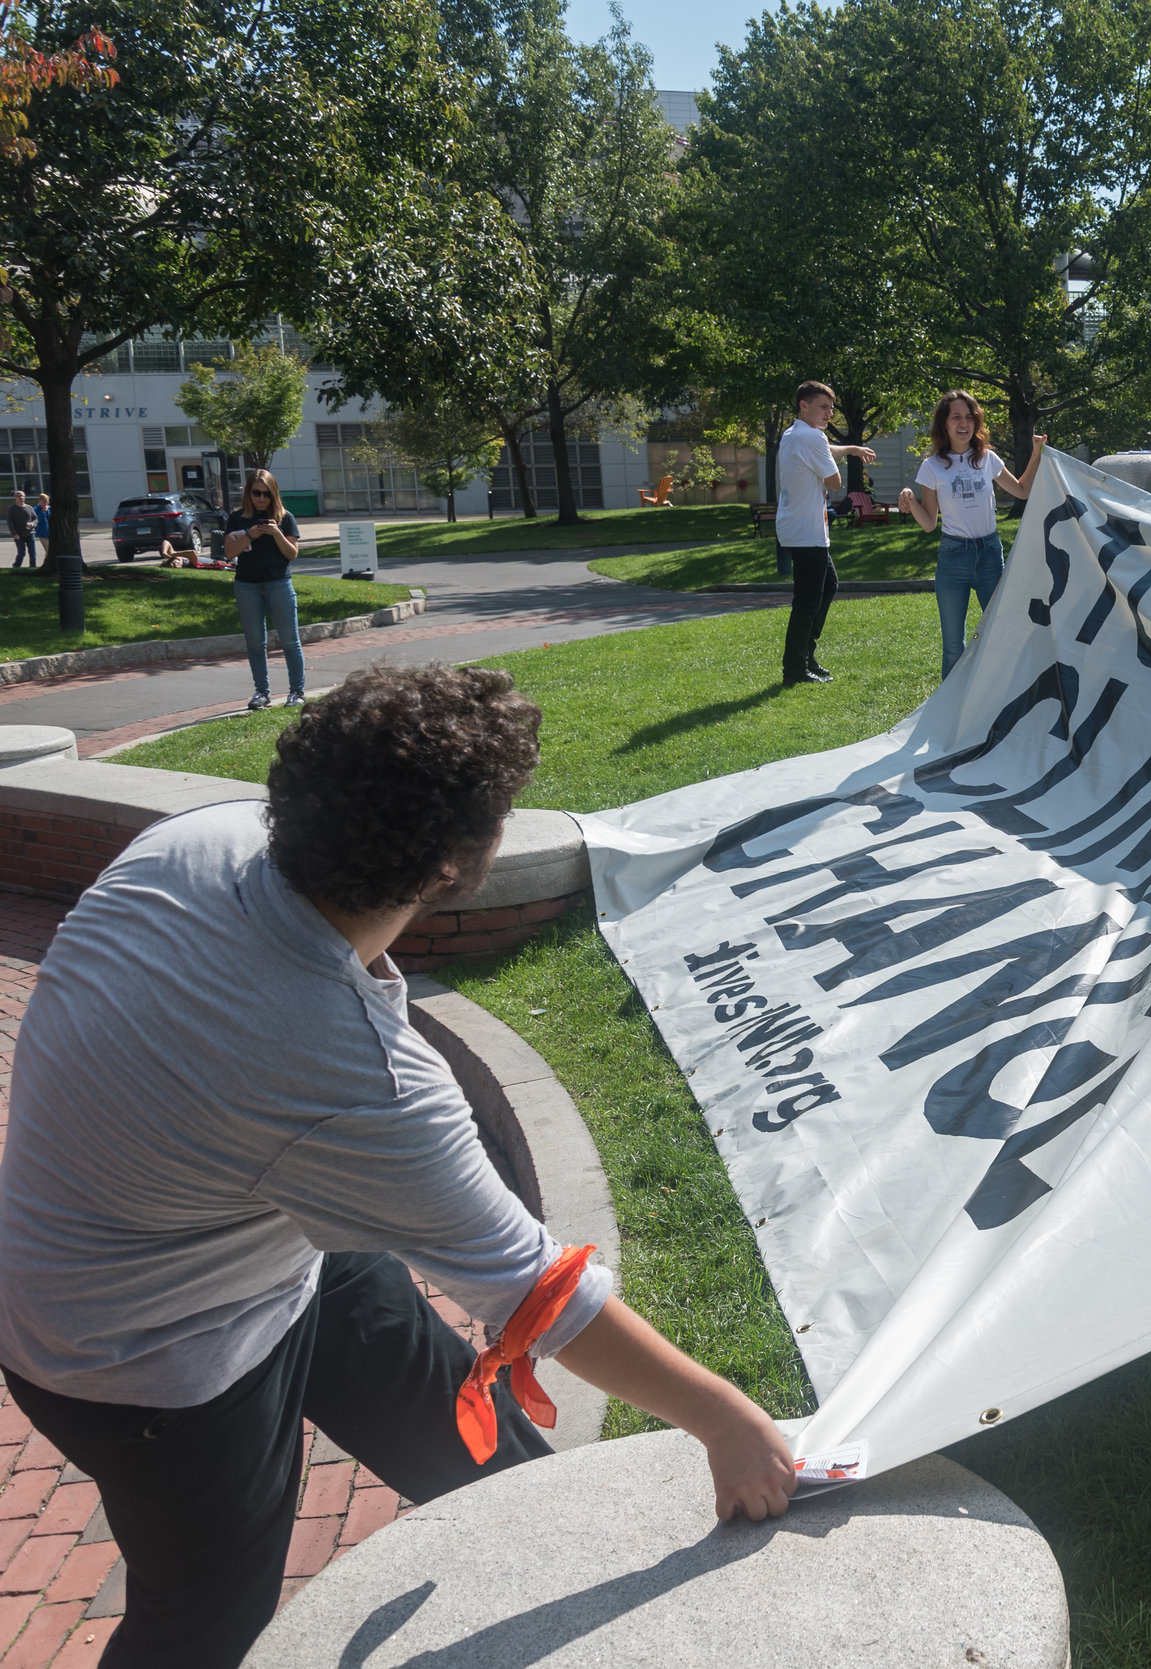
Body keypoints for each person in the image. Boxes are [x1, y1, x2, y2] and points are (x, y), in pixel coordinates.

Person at [0, 664, 798, 1668]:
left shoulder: (193, 842)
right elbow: (536, 1295)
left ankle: (554, 1568)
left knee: (486, 1468)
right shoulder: (355, 1078)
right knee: (203, 1628)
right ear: (462, 865)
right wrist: (726, 1421)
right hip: (143, 1356)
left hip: (241, 1231)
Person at [898, 390, 1045, 677]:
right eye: (956, 417)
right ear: (944, 424)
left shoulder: (987, 458)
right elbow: (929, 523)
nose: (963, 423)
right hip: (954, 560)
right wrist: (909, 498)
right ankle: (952, 714)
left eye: (969, 417)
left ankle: (999, 702)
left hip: (990, 556)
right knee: (954, 646)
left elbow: (1023, 491)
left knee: (1002, 635)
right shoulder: (931, 467)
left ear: (976, 422)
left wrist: (1037, 453)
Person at [775, 380, 879, 687]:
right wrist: (834, 464)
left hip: (794, 528)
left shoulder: (793, 434)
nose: (829, 413)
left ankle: (806, 656)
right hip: (808, 530)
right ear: (803, 405)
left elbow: (825, 449)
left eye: (831, 408)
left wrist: (851, 448)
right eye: (823, 407)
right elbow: (834, 483)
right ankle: (795, 669)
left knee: (829, 585)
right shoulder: (812, 439)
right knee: (807, 601)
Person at [223, 469, 305, 710]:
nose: (261, 498)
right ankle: (261, 692)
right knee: (256, 642)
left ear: (274, 494)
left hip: (278, 583)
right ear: (249, 493)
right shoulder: (237, 518)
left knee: (290, 640)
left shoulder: (285, 517)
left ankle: (297, 692)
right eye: (256, 493)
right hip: (247, 585)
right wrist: (250, 534)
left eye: (266, 494)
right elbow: (230, 553)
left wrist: (276, 532)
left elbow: (292, 554)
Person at [7, 489, 32, 566]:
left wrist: (33, 523)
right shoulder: (12, 509)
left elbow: (35, 518)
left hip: (30, 533)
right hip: (18, 534)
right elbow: (10, 522)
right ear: (15, 498)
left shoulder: (29, 507)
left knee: (33, 553)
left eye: (22, 496)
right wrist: (14, 533)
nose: (20, 497)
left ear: (24, 497)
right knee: (22, 553)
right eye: (18, 496)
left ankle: (33, 567)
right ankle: (16, 565)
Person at [33, 491, 50, 565]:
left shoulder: (49, 508)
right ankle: (46, 564)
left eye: (47, 502)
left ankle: (47, 564)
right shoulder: (35, 509)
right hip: (42, 533)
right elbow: (37, 520)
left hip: (50, 532)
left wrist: (47, 511)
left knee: (51, 550)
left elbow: (50, 518)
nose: (45, 504)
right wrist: (43, 511)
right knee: (48, 550)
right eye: (44, 502)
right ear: (40, 501)